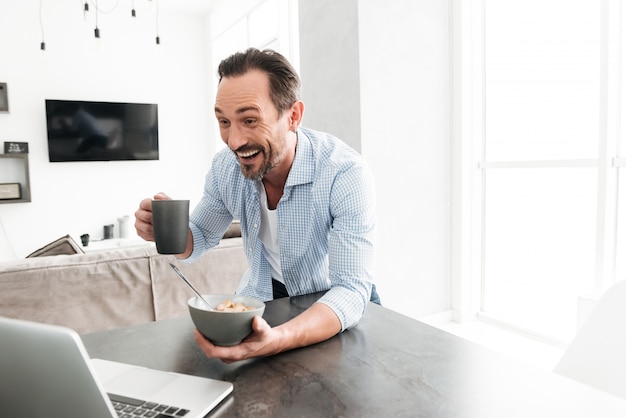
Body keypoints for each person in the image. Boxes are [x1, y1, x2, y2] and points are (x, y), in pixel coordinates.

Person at [135, 48, 378, 363]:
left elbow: (351, 290)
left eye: (249, 120)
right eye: (224, 121)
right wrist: (166, 232)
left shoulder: (345, 174)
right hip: (263, 304)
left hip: (330, 312)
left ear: (293, 116)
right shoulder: (226, 168)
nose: (234, 141)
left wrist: (277, 340)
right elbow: (198, 239)